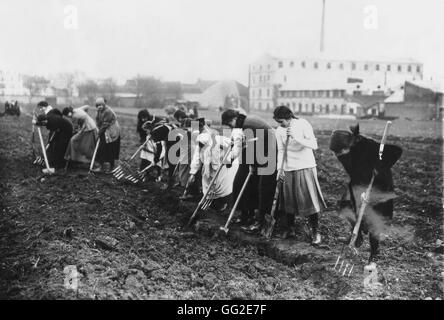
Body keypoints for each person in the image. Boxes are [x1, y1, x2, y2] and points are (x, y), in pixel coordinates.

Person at [329, 124, 402, 263]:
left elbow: (397, 151)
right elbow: (355, 172)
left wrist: (379, 168)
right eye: (336, 153)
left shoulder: (369, 146)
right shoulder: (344, 152)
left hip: (379, 185)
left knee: (374, 218)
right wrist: (361, 191)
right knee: (346, 206)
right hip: (360, 183)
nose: (337, 155)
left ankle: (374, 253)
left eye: (339, 152)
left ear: (348, 145)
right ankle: (357, 234)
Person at [273, 106, 326, 244]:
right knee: (288, 200)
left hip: (305, 165)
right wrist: (280, 168)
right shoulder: (279, 130)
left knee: (308, 199)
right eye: (278, 122)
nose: (280, 124)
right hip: (288, 167)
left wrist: (296, 138)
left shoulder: (302, 124)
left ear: (289, 117)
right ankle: (289, 229)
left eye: (282, 121)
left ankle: (315, 231)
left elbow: (314, 145)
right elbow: (280, 150)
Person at [221, 109, 277, 233]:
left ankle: (261, 223)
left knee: (264, 189)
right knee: (257, 187)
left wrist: (252, 164)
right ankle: (254, 218)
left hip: (269, 156)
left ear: (233, 119)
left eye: (230, 124)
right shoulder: (246, 121)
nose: (231, 127)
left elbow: (253, 147)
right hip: (265, 154)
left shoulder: (247, 125)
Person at [187, 120, 237, 211]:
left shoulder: (218, 145)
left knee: (222, 185)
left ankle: (225, 205)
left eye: (202, 145)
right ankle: (211, 203)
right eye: (200, 145)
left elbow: (224, 161)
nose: (201, 147)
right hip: (211, 166)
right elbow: (196, 159)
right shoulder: (201, 144)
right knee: (208, 183)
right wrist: (192, 173)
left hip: (226, 167)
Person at [92, 97, 121, 173]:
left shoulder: (108, 111)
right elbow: (98, 121)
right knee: (102, 148)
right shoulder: (99, 111)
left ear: (104, 104)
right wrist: (98, 128)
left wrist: (99, 132)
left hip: (112, 130)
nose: (99, 107)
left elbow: (105, 124)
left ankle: (110, 167)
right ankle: (102, 165)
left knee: (109, 148)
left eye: (101, 105)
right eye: (98, 105)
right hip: (105, 129)